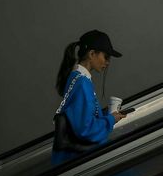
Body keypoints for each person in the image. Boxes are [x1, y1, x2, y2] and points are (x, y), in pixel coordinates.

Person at [51, 30, 126, 166]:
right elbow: (85, 130)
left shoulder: (77, 78)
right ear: (92, 54)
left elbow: (80, 117)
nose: (108, 62)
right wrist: (110, 119)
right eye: (106, 56)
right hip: (75, 162)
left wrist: (106, 115)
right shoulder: (82, 84)